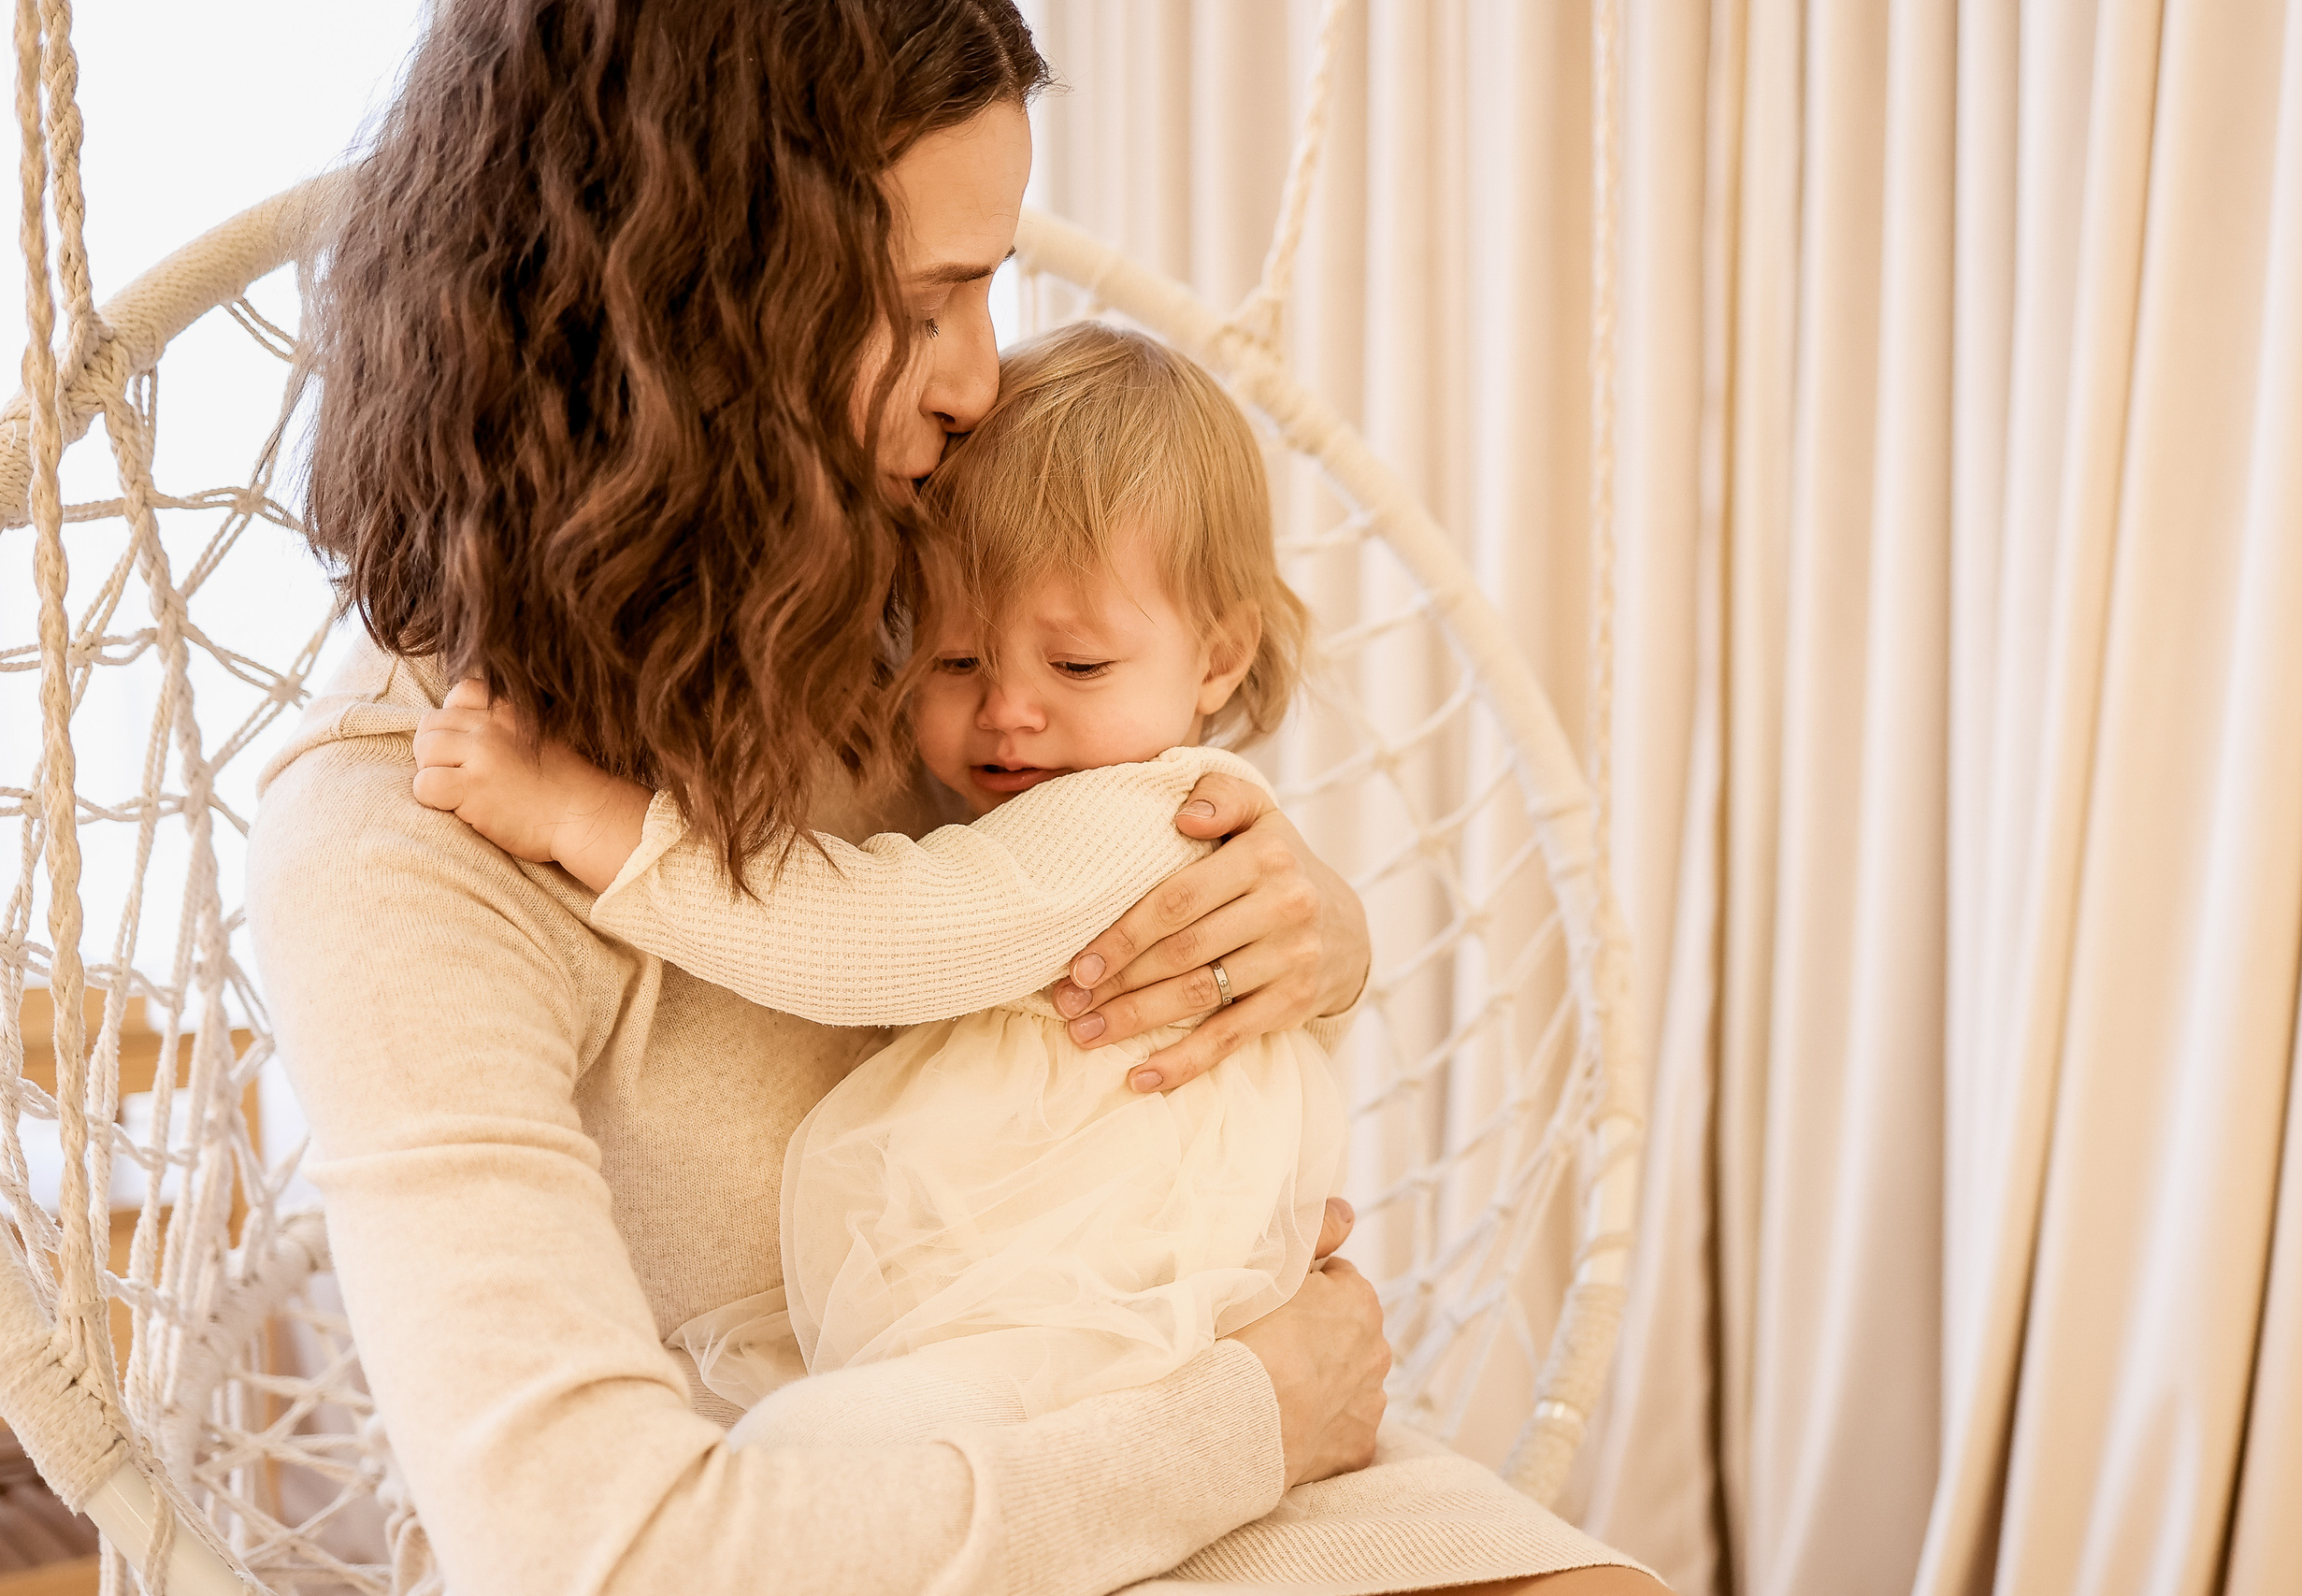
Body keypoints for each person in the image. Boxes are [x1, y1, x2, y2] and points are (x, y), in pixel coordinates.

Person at [250, 0, 1663, 1590]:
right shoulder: (393, 855)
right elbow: (619, 1550)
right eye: (932, 303)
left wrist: (1301, 931)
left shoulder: (887, 637)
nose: (984, 384)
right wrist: (1255, 1411)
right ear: (697, 317)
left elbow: (1059, 876)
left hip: (1134, 1382)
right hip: (876, 1504)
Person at [414, 323, 1354, 1443]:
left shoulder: (1141, 817)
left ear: (1217, 658)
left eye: (1078, 665)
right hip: (1053, 1299)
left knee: (851, 1457)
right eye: (953, 660)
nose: (1008, 709)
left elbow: (878, 935)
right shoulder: (1050, 787)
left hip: (1092, 1308)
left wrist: (592, 820)